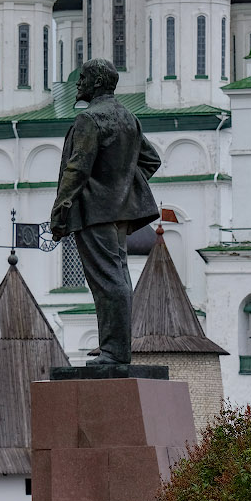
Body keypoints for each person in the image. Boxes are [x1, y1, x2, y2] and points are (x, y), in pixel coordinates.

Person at [50, 58, 161, 366]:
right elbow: (151, 160)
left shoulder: (90, 119)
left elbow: (78, 168)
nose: (78, 84)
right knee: (118, 276)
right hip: (118, 215)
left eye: (83, 78)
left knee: (107, 281)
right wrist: (123, 187)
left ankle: (113, 352)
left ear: (96, 83)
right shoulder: (128, 118)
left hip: (95, 213)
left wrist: (60, 209)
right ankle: (116, 350)